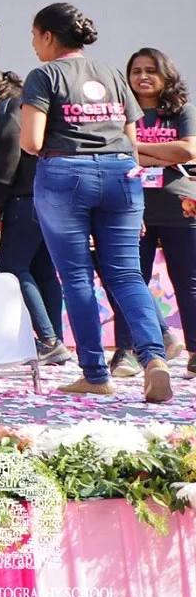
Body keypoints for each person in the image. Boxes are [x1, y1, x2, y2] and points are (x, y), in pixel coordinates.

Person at [19, 4, 172, 403]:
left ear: (49, 36)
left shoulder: (45, 75)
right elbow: (132, 141)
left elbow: (31, 143)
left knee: (76, 277)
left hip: (65, 175)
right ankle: (154, 360)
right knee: (126, 275)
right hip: (122, 174)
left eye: (35, 36)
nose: (34, 45)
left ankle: (94, 372)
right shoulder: (113, 75)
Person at [114, 47, 196, 376]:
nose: (143, 76)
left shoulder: (181, 110)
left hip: (179, 205)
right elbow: (115, 151)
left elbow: (189, 150)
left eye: (151, 70)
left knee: (189, 283)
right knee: (129, 280)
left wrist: (136, 149)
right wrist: (163, 154)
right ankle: (128, 352)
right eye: (136, 71)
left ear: (165, 75)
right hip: (130, 208)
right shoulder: (119, 113)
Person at [0, 70, 68, 363]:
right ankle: (56, 337)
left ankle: (47, 337)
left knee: (12, 265)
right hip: (49, 196)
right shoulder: (26, 105)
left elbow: (7, 161)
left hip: (25, 198)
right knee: (43, 268)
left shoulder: (8, 110)